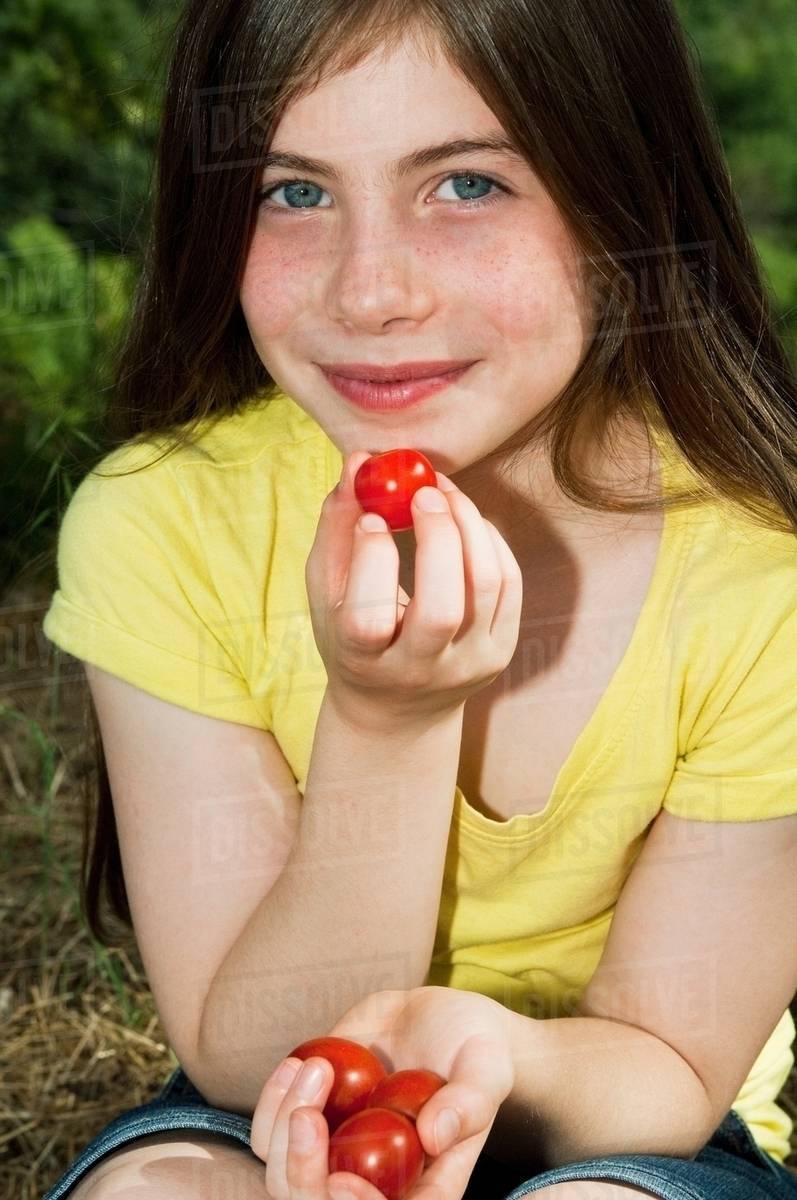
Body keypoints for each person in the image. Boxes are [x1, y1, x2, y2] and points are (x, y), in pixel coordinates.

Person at [40, 0, 797, 1197]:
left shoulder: (764, 580)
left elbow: (671, 1063)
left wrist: (495, 1054)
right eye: (294, 192)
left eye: (464, 186)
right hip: (271, 1100)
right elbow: (248, 1054)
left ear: (624, 195)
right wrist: (386, 725)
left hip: (622, 1126)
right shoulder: (161, 527)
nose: (369, 292)